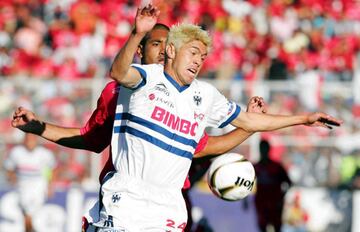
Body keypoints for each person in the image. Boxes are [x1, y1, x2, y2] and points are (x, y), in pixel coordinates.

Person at [101, 4, 341, 231]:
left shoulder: (205, 95)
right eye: (193, 52)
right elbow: (119, 72)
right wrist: (136, 34)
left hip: (169, 205)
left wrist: (304, 119)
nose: (197, 61)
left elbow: (250, 121)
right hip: (128, 199)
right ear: (171, 51)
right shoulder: (148, 77)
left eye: (202, 57)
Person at [11, 20, 267, 232]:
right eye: (157, 44)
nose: (164, 51)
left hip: (167, 207)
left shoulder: (187, 96)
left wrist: (250, 126)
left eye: (169, 45)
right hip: (124, 206)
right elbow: (91, 139)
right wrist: (40, 128)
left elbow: (202, 147)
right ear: (140, 50)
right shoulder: (118, 91)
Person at [3, 133, 56, 232]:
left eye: (32, 139)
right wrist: (12, 178)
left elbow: (52, 169)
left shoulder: (44, 154)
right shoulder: (16, 152)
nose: (30, 142)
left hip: (39, 186)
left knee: (30, 216)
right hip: (23, 187)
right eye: (28, 139)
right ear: (24, 140)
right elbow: (9, 168)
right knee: (28, 217)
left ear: (36, 140)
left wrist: (50, 186)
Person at [253, 139, 292, 232]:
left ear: (268, 149)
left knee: (277, 227)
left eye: (265, 148)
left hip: (275, 203)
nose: (263, 151)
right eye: (261, 148)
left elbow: (288, 182)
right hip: (261, 203)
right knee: (262, 227)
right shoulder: (255, 167)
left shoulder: (277, 167)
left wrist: (281, 196)